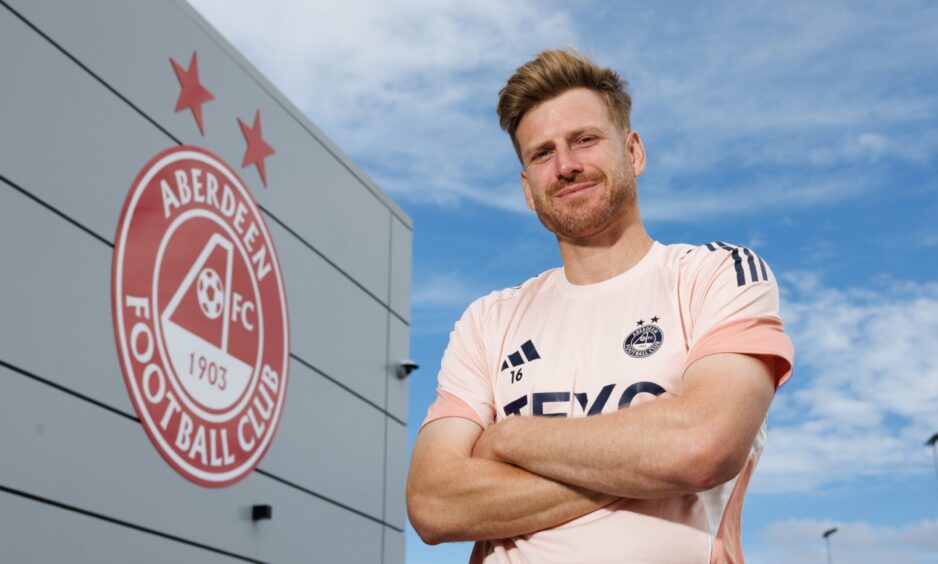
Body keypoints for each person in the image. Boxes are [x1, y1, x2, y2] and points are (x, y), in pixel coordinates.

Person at [406, 47, 794, 564]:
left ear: (633, 152)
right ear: (527, 189)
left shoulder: (715, 275)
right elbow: (434, 503)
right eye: (542, 154)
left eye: (584, 140)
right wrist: (645, 462)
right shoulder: (488, 320)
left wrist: (509, 438)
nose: (566, 166)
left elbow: (703, 446)